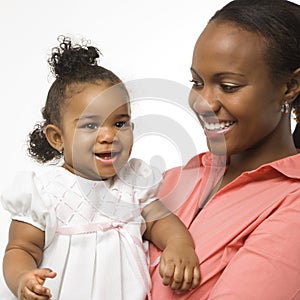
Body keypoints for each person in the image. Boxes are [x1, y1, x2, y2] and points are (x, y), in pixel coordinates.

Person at [1, 36, 200, 300]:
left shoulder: (133, 184)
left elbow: (161, 222)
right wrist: (22, 279)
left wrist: (179, 244)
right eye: (90, 125)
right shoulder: (44, 191)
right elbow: (20, 249)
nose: (108, 136)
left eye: (119, 123)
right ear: (57, 138)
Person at [150, 0, 300, 299]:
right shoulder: (172, 180)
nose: (204, 103)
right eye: (197, 82)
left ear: (290, 86)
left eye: (228, 86)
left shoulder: (292, 203)